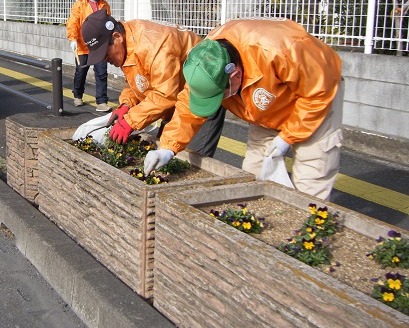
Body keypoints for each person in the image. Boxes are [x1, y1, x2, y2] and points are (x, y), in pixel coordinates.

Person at [144, 18, 344, 200]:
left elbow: (318, 92)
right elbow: (188, 108)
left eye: (218, 96)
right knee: (254, 170)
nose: (218, 101)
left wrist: (288, 136)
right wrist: (167, 149)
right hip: (267, 104)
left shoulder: (281, 49)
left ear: (235, 75)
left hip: (315, 95)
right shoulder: (205, 62)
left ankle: (309, 227)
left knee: (311, 175)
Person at [71, 9, 226, 155]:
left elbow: (165, 95)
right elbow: (140, 80)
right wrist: (127, 104)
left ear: (117, 37)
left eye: (105, 53)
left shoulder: (154, 46)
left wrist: (131, 121)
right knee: (162, 153)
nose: (104, 59)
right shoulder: (130, 40)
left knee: (189, 161)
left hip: (202, 97)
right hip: (175, 100)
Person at [67, 0, 112, 112]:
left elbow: (108, 23)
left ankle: (102, 101)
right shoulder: (80, 4)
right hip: (83, 44)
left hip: (100, 45)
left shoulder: (104, 5)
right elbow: (73, 22)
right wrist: (73, 38)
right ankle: (78, 95)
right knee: (81, 71)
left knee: (101, 73)